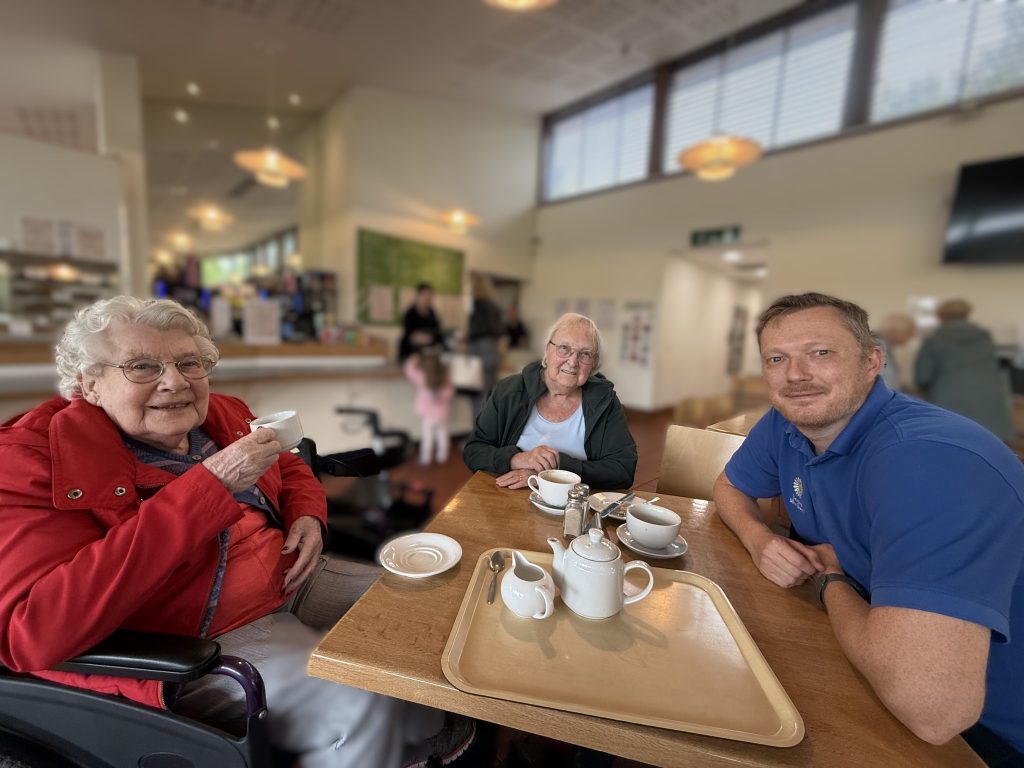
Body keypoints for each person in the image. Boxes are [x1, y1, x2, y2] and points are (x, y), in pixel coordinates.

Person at [0, 296, 474, 768]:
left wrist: (308, 513)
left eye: (190, 362)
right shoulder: (30, 461)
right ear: (89, 384)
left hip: (291, 577)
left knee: (427, 612)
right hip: (199, 628)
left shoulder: (223, 414)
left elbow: (288, 463)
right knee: (357, 698)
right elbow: (33, 632)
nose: (175, 382)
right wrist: (211, 486)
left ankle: (418, 746)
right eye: (142, 366)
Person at [712, 292, 1024, 764]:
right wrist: (759, 539)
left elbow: (933, 711)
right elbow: (728, 487)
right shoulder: (786, 425)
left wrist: (830, 577)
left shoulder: (931, 464)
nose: (796, 374)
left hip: (987, 732)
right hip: (869, 653)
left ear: (871, 361)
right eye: (777, 358)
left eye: (820, 353)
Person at [463, 312, 636, 491]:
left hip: (574, 507)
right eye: (564, 348)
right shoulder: (509, 391)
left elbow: (623, 470)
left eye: (585, 354)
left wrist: (552, 473)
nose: (573, 361)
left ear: (594, 363)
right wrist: (516, 459)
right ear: (547, 351)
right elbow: (474, 451)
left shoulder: (604, 401)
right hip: (509, 501)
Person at [915, 298, 1015, 442]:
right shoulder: (984, 337)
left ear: (941, 317)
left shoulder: (934, 340)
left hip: (948, 402)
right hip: (988, 402)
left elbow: (923, 376)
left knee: (953, 447)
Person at [404, 347, 455, 466]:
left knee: (428, 437)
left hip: (427, 415)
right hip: (442, 414)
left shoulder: (421, 376)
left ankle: (425, 459)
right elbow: (450, 394)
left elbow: (409, 369)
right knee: (443, 436)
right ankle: (442, 457)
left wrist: (414, 359)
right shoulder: (445, 378)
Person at [467, 273, 505, 416]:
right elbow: (501, 331)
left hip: (480, 353)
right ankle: (487, 433)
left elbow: (473, 331)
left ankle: (478, 434)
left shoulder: (476, 306)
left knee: (478, 396)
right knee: (489, 395)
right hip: (494, 353)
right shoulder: (495, 307)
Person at [398, 283, 443, 361]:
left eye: (429, 297)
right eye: (425, 296)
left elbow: (437, 334)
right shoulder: (410, 313)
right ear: (418, 296)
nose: (427, 299)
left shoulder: (433, 314)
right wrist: (422, 338)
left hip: (428, 356)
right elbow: (410, 335)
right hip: (410, 355)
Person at [875, 312, 915, 391]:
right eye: (908, 334)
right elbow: (886, 378)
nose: (909, 339)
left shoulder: (885, 346)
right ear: (897, 332)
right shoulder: (877, 346)